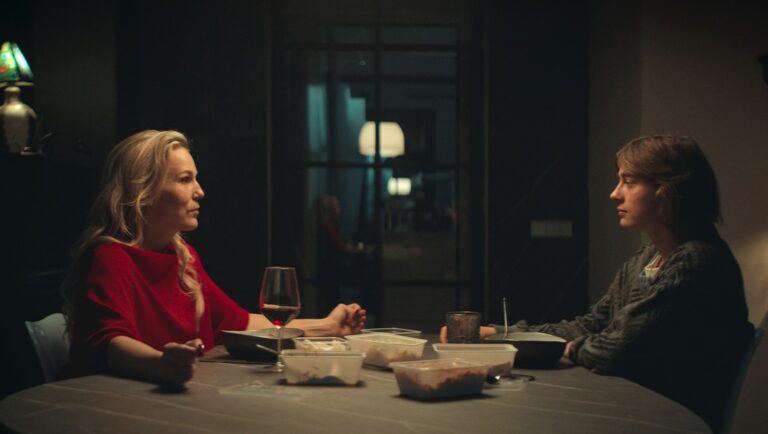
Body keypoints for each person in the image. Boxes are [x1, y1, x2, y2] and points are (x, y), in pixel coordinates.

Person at [441, 135, 753, 431]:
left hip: (670, 419)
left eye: (629, 182)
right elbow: (592, 324)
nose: (615, 193)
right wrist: (501, 334)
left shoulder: (695, 261)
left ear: (667, 191)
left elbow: (614, 350)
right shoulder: (648, 257)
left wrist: (570, 348)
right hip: (635, 406)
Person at [61, 130, 366, 386]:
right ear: (144, 191)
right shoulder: (110, 257)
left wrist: (327, 327)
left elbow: (241, 323)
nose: (200, 191)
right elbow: (111, 343)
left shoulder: (184, 258)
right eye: (185, 180)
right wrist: (160, 364)